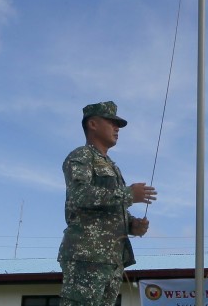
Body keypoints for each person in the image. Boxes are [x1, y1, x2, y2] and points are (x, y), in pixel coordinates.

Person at [58, 101, 158, 306]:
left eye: (118, 124)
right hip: (87, 257)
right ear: (93, 124)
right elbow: (79, 195)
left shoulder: (112, 166)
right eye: (112, 122)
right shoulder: (81, 156)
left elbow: (109, 209)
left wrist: (133, 225)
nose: (117, 128)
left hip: (112, 260)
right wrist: (128, 194)